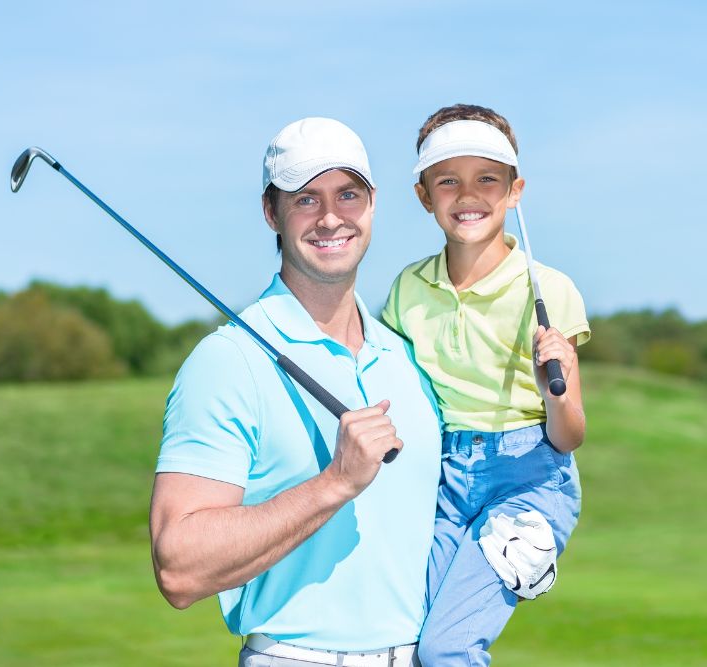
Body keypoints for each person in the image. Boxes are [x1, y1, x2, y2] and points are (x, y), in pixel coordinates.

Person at [150, 117, 443, 667]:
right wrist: (335, 483)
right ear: (271, 213)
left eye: (348, 194)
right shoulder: (228, 360)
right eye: (306, 199)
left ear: (373, 204)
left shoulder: (408, 356)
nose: (332, 217)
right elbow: (179, 566)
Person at [382, 104, 591, 666]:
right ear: (425, 195)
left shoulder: (549, 289)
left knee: (448, 648)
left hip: (527, 479)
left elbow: (569, 436)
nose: (467, 194)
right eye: (448, 180)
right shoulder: (408, 288)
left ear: (514, 191)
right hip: (444, 481)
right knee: (403, 641)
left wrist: (558, 392)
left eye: (487, 179)